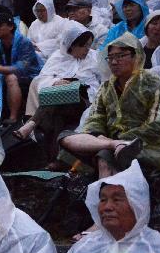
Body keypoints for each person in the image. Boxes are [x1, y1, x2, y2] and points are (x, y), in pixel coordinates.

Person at [60, 33, 160, 176]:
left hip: (147, 145)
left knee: (103, 155)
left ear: (136, 56)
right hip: (109, 142)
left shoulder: (154, 84)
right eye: (111, 57)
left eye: (121, 56)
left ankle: (105, 186)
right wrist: (99, 136)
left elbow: (157, 125)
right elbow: (95, 118)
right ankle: (109, 147)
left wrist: (121, 140)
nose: (114, 62)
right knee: (64, 137)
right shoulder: (106, 87)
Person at [15, 22, 101, 165]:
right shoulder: (58, 57)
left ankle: (31, 124)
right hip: (61, 100)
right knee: (56, 113)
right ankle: (54, 160)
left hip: (85, 100)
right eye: (83, 45)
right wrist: (55, 82)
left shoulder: (94, 57)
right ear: (72, 45)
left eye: (89, 45)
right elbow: (41, 79)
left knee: (55, 104)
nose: (87, 49)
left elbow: (103, 81)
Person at [0, 10, 43, 126]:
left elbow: (22, 68)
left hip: (30, 76)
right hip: (7, 75)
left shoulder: (24, 42)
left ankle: (13, 117)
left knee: (11, 77)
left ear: (10, 26)